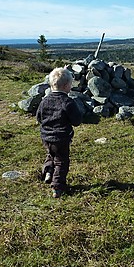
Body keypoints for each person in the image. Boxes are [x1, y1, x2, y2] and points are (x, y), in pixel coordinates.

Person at [36, 67, 82, 198]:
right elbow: (76, 121)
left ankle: (48, 172)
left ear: (51, 85)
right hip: (61, 139)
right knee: (62, 162)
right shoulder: (68, 102)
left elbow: (39, 118)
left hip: (46, 138)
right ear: (67, 86)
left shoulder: (44, 101)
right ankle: (57, 187)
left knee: (51, 154)